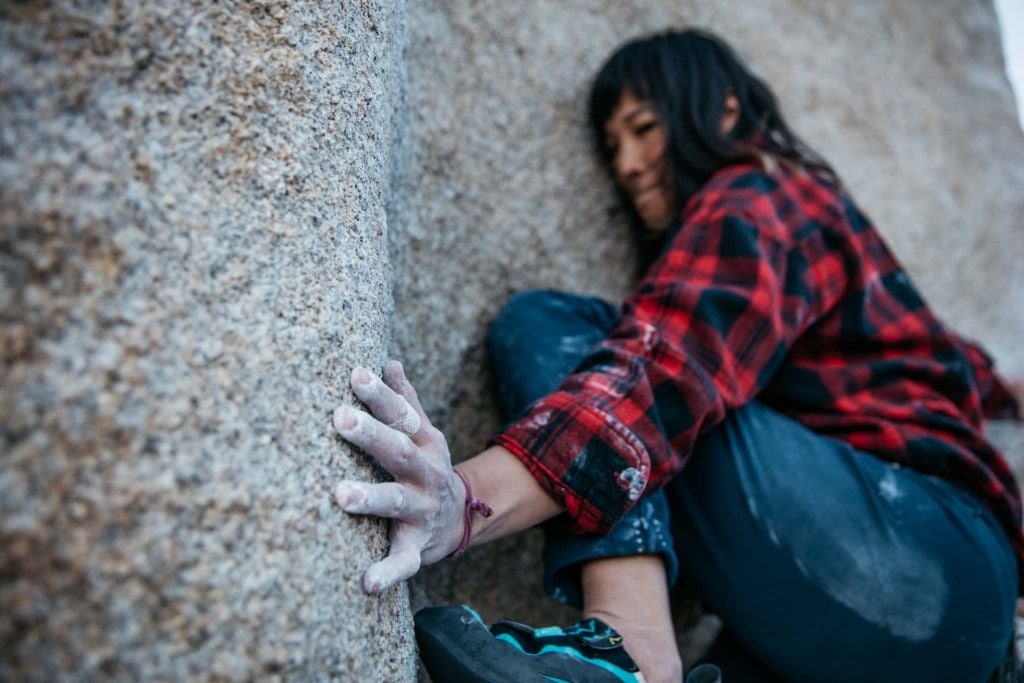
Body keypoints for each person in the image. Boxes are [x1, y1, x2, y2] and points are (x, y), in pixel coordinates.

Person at [331, 28, 1024, 683]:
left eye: (644, 129)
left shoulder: (760, 195)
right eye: (613, 147)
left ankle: (631, 648)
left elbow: (665, 372)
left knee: (554, 323)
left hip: (923, 558)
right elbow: (953, 370)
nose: (628, 165)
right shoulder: (823, 245)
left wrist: (463, 502)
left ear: (724, 109)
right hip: (914, 623)